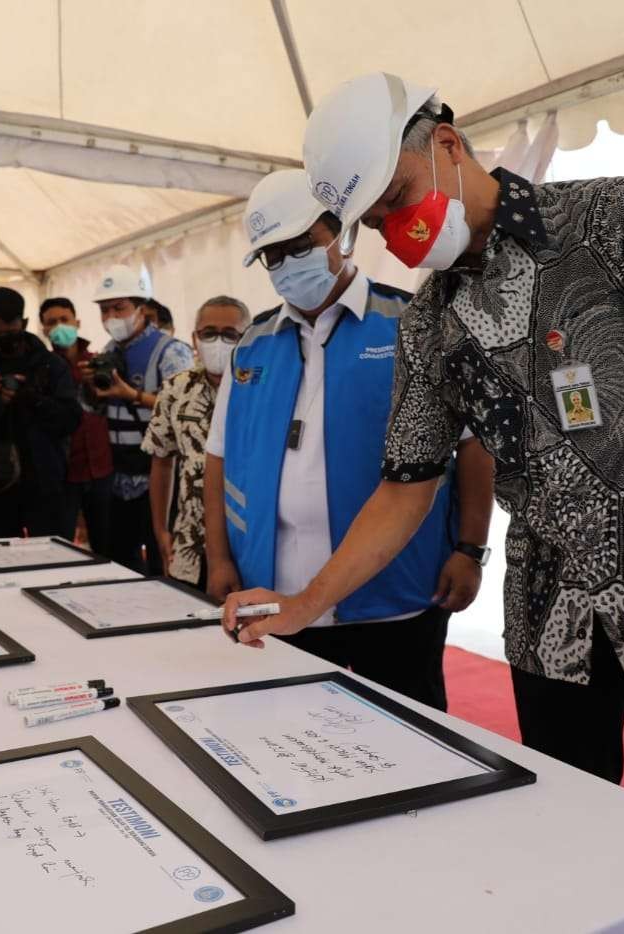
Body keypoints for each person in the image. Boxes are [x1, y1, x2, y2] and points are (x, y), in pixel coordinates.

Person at [225, 75, 624, 839]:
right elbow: (405, 487)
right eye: (371, 223)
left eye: (396, 199)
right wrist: (304, 606)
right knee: (569, 839)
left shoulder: (620, 216)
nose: (395, 233)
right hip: (550, 618)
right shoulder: (429, 321)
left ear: (448, 146)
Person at [208, 168, 495, 711]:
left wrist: (471, 548)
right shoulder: (252, 345)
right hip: (278, 596)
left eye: (301, 245)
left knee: (413, 741)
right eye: (273, 255)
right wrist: (220, 557)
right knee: (295, 740)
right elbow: (218, 456)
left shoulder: (412, 324)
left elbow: (472, 444)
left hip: (398, 595)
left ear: (343, 233)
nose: (289, 265)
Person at [81, 265, 193, 573]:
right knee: (119, 563)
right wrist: (92, 392)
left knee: (163, 562)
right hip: (118, 476)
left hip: (159, 477)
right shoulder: (107, 351)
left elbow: (185, 410)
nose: (111, 317)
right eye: (105, 310)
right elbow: (97, 411)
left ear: (142, 308)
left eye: (119, 308)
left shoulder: (172, 352)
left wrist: (133, 394)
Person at [142, 296, 250, 590]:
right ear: (194, 338)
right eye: (208, 333)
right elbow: (162, 460)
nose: (218, 341)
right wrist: (161, 530)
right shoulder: (176, 388)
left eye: (230, 334)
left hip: (249, 545)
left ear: (249, 337)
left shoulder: (262, 387)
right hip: (189, 543)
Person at [0, 288, 81, 539]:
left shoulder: (51, 365)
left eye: (11, 325)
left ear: (24, 323)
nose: (4, 333)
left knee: (52, 559)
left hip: (45, 481)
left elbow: (71, 418)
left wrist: (31, 397)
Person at [39, 297, 114, 552]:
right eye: (52, 322)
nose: (60, 326)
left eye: (64, 320)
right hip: (64, 472)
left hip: (101, 467)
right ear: (44, 330)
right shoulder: (42, 369)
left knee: (106, 546)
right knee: (60, 547)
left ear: (77, 322)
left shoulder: (99, 362)